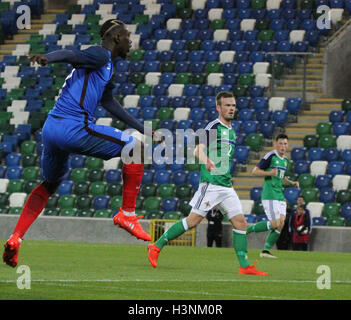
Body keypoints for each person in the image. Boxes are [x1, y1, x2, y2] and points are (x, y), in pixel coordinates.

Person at [3, 19, 155, 268]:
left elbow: (109, 103)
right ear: (116, 37)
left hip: (52, 129)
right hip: (74, 127)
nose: (130, 41)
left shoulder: (105, 67)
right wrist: (47, 59)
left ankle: (16, 238)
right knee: (135, 149)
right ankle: (127, 214)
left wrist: (144, 129)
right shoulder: (100, 54)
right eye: (127, 36)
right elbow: (73, 54)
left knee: (49, 185)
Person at [147, 91, 268, 276]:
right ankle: (156, 246)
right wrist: (206, 160)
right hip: (211, 184)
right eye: (227, 105)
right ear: (219, 108)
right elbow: (198, 150)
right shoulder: (213, 126)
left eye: (233, 105)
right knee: (193, 220)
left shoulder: (231, 130)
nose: (231, 108)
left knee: (240, 223)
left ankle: (244, 266)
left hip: (226, 186)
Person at [246, 134, 299, 258]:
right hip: (270, 195)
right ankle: (247, 230)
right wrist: (270, 172)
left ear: (288, 146)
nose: (283, 146)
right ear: (276, 144)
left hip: (279, 195)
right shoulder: (270, 156)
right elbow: (255, 171)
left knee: (281, 224)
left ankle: (265, 251)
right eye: (280, 143)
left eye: (285, 144)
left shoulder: (285, 160)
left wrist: (292, 183)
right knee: (275, 223)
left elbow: (281, 177)